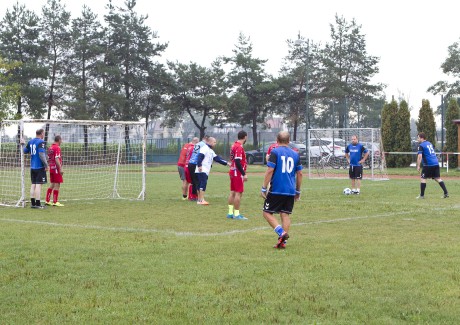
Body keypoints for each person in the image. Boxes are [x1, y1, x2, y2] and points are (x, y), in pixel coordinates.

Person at [261, 131, 303, 249]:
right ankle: (282, 243)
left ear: (277, 141)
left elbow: (270, 170)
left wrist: (264, 187)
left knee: (266, 212)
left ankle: (282, 233)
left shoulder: (275, 152)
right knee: (285, 214)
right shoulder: (295, 154)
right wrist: (298, 191)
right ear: (289, 141)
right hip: (290, 190)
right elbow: (299, 174)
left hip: (277, 189)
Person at [196, 137, 230, 205]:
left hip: (204, 170)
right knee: (203, 184)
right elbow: (199, 157)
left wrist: (227, 163)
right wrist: (199, 165)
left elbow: (217, 159)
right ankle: (201, 200)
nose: (215, 144)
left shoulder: (210, 151)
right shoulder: (205, 148)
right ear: (209, 142)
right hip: (202, 169)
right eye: (214, 142)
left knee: (200, 184)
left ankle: (199, 200)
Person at [416, 132, 449, 199]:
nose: (417, 139)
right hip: (436, 163)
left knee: (423, 178)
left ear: (422, 138)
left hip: (428, 165)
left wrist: (418, 165)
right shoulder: (429, 143)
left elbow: (420, 156)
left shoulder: (421, 145)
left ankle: (422, 196)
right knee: (437, 178)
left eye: (418, 137)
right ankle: (446, 193)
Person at [23, 128, 49, 209]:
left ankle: (33, 203)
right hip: (39, 167)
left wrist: (23, 143)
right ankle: (38, 204)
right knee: (38, 185)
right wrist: (46, 165)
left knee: (33, 184)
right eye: (43, 133)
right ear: (41, 134)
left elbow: (25, 151)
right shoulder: (41, 142)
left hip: (32, 167)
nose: (44, 135)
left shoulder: (30, 141)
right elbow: (41, 155)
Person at [227, 130, 248, 220]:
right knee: (238, 193)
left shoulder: (234, 145)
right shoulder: (239, 147)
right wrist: (244, 174)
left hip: (232, 171)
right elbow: (237, 161)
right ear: (245, 137)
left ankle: (230, 213)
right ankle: (236, 214)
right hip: (237, 173)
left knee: (232, 192)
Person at [188, 135, 209, 200]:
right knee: (198, 181)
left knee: (194, 181)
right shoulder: (204, 145)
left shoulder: (198, 144)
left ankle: (193, 196)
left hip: (190, 163)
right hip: (195, 164)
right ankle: (198, 197)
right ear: (206, 139)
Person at [45, 135, 64, 207]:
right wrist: (60, 168)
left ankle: (47, 200)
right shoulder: (57, 147)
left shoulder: (50, 147)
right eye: (61, 140)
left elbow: (49, 158)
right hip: (56, 168)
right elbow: (56, 159)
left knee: (52, 184)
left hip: (51, 168)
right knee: (57, 184)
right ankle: (55, 201)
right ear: (59, 140)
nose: (61, 141)